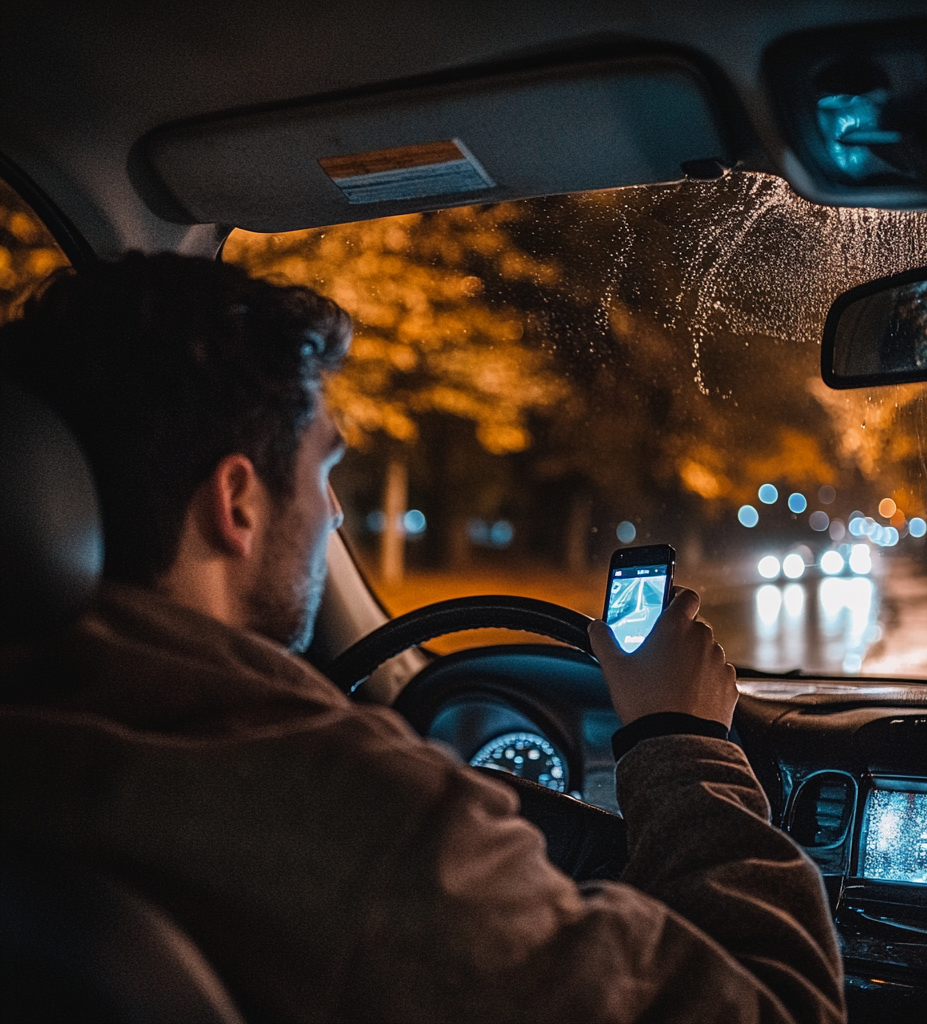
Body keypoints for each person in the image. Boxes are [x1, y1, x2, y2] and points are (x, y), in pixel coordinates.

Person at [0, 254, 845, 1023]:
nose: (333, 512)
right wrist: (681, 741)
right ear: (238, 503)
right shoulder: (356, 824)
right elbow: (783, 1006)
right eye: (324, 470)